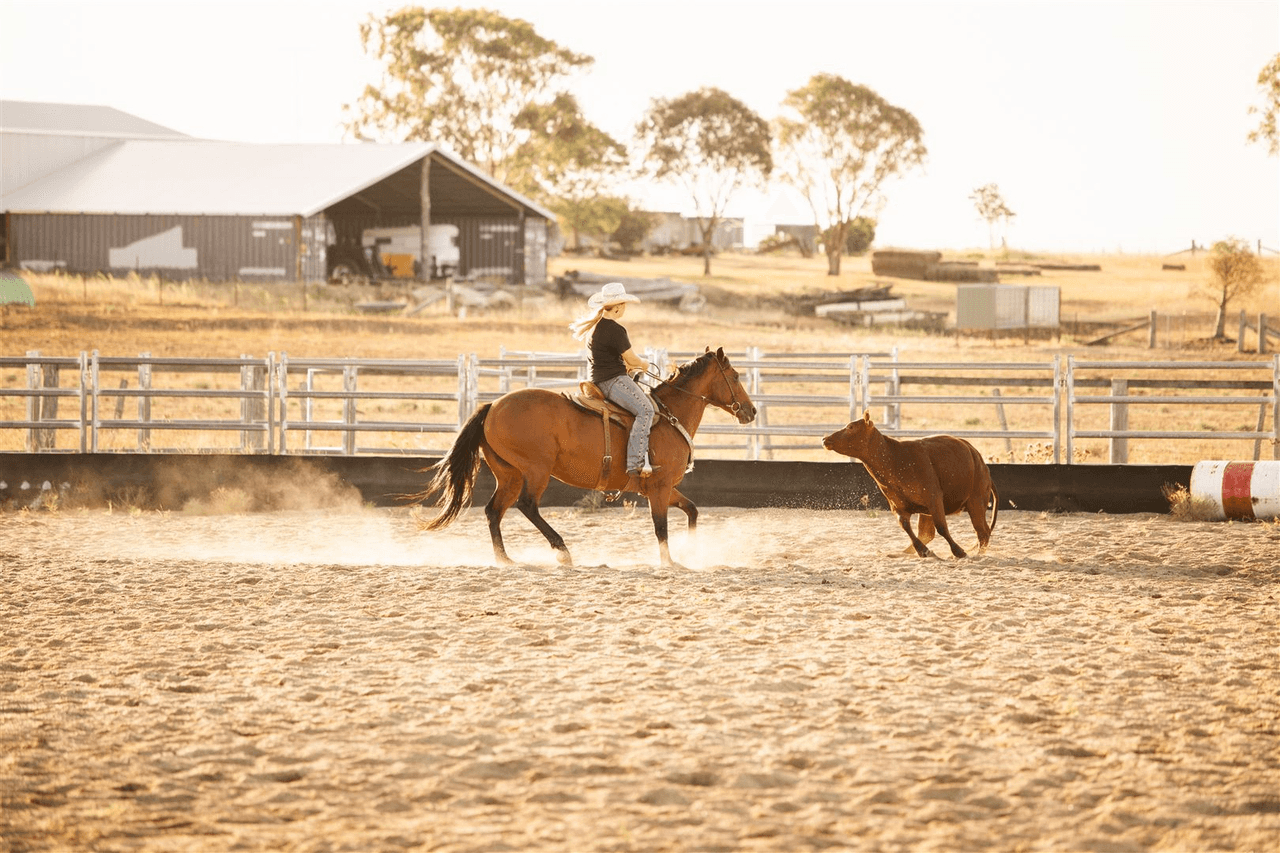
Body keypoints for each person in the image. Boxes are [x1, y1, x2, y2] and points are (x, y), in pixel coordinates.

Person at [570, 281, 656, 476]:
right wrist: (644, 364)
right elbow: (632, 358)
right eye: (624, 305)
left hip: (599, 380)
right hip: (613, 381)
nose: (625, 308)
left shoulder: (595, 328)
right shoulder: (616, 330)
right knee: (646, 410)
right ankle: (635, 463)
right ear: (617, 307)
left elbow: (608, 358)